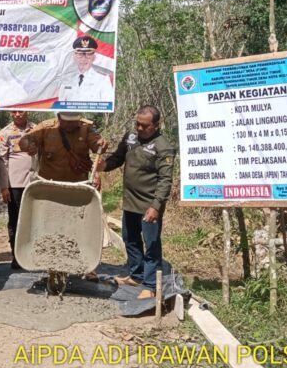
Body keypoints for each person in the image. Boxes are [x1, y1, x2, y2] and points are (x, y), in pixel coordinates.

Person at [97, 105, 175, 299]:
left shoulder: (163, 147)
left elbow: (165, 180)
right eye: (137, 124)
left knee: (151, 243)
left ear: (156, 125)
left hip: (149, 205)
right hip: (130, 202)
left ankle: (150, 285)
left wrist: (156, 206)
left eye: (144, 126)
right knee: (130, 239)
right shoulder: (130, 137)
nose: (139, 128)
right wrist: (104, 165)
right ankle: (136, 274)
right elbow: (118, 158)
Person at [19, 112, 107, 280]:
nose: (69, 126)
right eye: (66, 122)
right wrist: (28, 145)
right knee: (48, 225)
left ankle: (87, 264)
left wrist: (101, 144)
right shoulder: (45, 128)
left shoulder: (87, 128)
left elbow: (98, 146)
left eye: (73, 122)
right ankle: (48, 259)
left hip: (78, 188)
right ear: (58, 118)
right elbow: (24, 141)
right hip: (50, 188)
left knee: (83, 226)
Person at [0, 110, 36, 269]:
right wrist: (4, 186)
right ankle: (17, 256)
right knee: (16, 220)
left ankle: (32, 255)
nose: (18, 114)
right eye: (14, 112)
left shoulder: (37, 129)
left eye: (21, 111)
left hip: (34, 182)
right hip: (15, 184)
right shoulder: (5, 132)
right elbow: (2, 161)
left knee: (34, 219)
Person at [57, 36, 113, 103]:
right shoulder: (66, 79)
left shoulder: (103, 80)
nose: (83, 59)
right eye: (80, 54)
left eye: (88, 54)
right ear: (74, 57)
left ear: (94, 57)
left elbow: (107, 107)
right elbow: (60, 105)